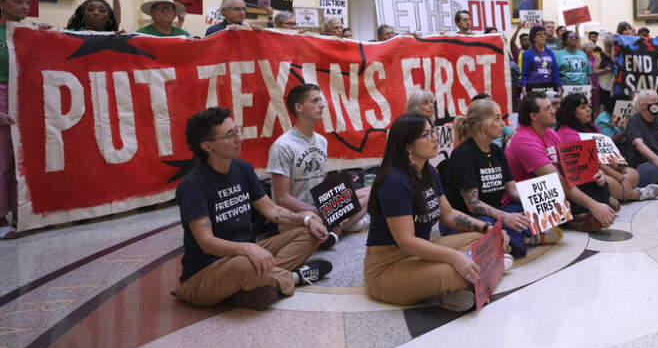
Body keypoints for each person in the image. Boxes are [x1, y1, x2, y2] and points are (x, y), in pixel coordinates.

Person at [175, 107, 332, 309]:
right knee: (246, 265)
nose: (239, 138)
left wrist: (306, 219)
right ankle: (293, 277)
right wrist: (248, 249)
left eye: (237, 130)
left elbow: (272, 210)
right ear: (208, 146)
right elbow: (207, 242)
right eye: (230, 135)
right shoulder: (193, 186)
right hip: (206, 271)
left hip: (247, 255)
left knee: (307, 233)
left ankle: (256, 282)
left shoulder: (243, 169)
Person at [364, 114, 509, 311]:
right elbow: (407, 242)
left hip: (420, 253)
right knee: (459, 271)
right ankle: (441, 292)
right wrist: (456, 257)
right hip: (388, 267)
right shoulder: (394, 182)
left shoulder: (429, 171)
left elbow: (448, 214)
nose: (434, 138)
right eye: (426, 134)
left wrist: (488, 229)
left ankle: (447, 288)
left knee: (479, 239)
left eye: (433, 132)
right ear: (408, 146)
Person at [267, 84, 371, 249]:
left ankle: (334, 229)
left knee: (373, 191)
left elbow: (321, 185)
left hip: (322, 207)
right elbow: (282, 198)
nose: (322, 105)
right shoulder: (282, 146)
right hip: (299, 214)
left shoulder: (322, 141)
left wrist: (338, 204)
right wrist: (321, 211)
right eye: (315, 101)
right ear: (299, 107)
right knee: (354, 219)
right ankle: (337, 227)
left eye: (320, 100)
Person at [440, 99, 547, 258]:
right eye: (497, 118)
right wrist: (505, 217)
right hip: (469, 219)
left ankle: (513, 242)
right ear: (481, 124)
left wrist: (539, 201)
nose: (503, 124)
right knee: (495, 227)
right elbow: (473, 205)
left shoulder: (496, 150)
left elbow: (512, 190)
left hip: (496, 213)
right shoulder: (463, 154)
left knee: (526, 212)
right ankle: (522, 240)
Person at [506, 92, 616, 232]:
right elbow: (557, 180)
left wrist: (595, 175)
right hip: (531, 196)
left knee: (594, 179)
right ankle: (576, 218)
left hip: (551, 188)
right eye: (548, 108)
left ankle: (584, 213)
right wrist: (593, 204)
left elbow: (571, 167)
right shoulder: (524, 140)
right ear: (534, 116)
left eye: (552, 106)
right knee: (563, 191)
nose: (554, 110)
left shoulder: (550, 133)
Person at [0, 0, 55, 239]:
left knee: (24, 159)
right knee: (2, 162)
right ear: (2, 4)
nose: (24, 7)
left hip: (26, 98)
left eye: (26, 2)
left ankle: (20, 211)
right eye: (17, 2)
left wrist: (45, 35)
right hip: (1, 98)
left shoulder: (30, 31)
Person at [556, 93, 658, 201]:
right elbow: (594, 164)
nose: (589, 110)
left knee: (633, 173)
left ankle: (618, 194)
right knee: (611, 183)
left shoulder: (591, 127)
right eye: (583, 107)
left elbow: (606, 154)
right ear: (571, 112)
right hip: (586, 175)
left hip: (605, 167)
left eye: (589, 106)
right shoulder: (567, 134)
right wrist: (621, 178)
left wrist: (616, 165)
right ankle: (637, 194)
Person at [519, 25, 561, 95]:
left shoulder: (550, 53)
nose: (543, 36)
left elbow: (555, 72)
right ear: (533, 38)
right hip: (533, 87)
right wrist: (523, 88)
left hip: (549, 87)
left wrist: (559, 85)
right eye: (539, 34)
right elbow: (525, 74)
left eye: (544, 34)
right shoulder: (528, 53)